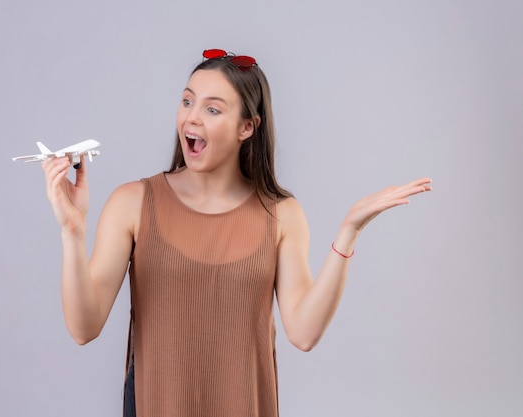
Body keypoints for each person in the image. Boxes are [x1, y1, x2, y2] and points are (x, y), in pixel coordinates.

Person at [41, 49, 432, 417]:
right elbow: (83, 327)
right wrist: (72, 232)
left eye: (212, 109)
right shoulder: (133, 203)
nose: (191, 118)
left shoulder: (280, 215)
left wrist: (349, 230)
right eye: (187, 101)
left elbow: (305, 333)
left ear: (247, 126)